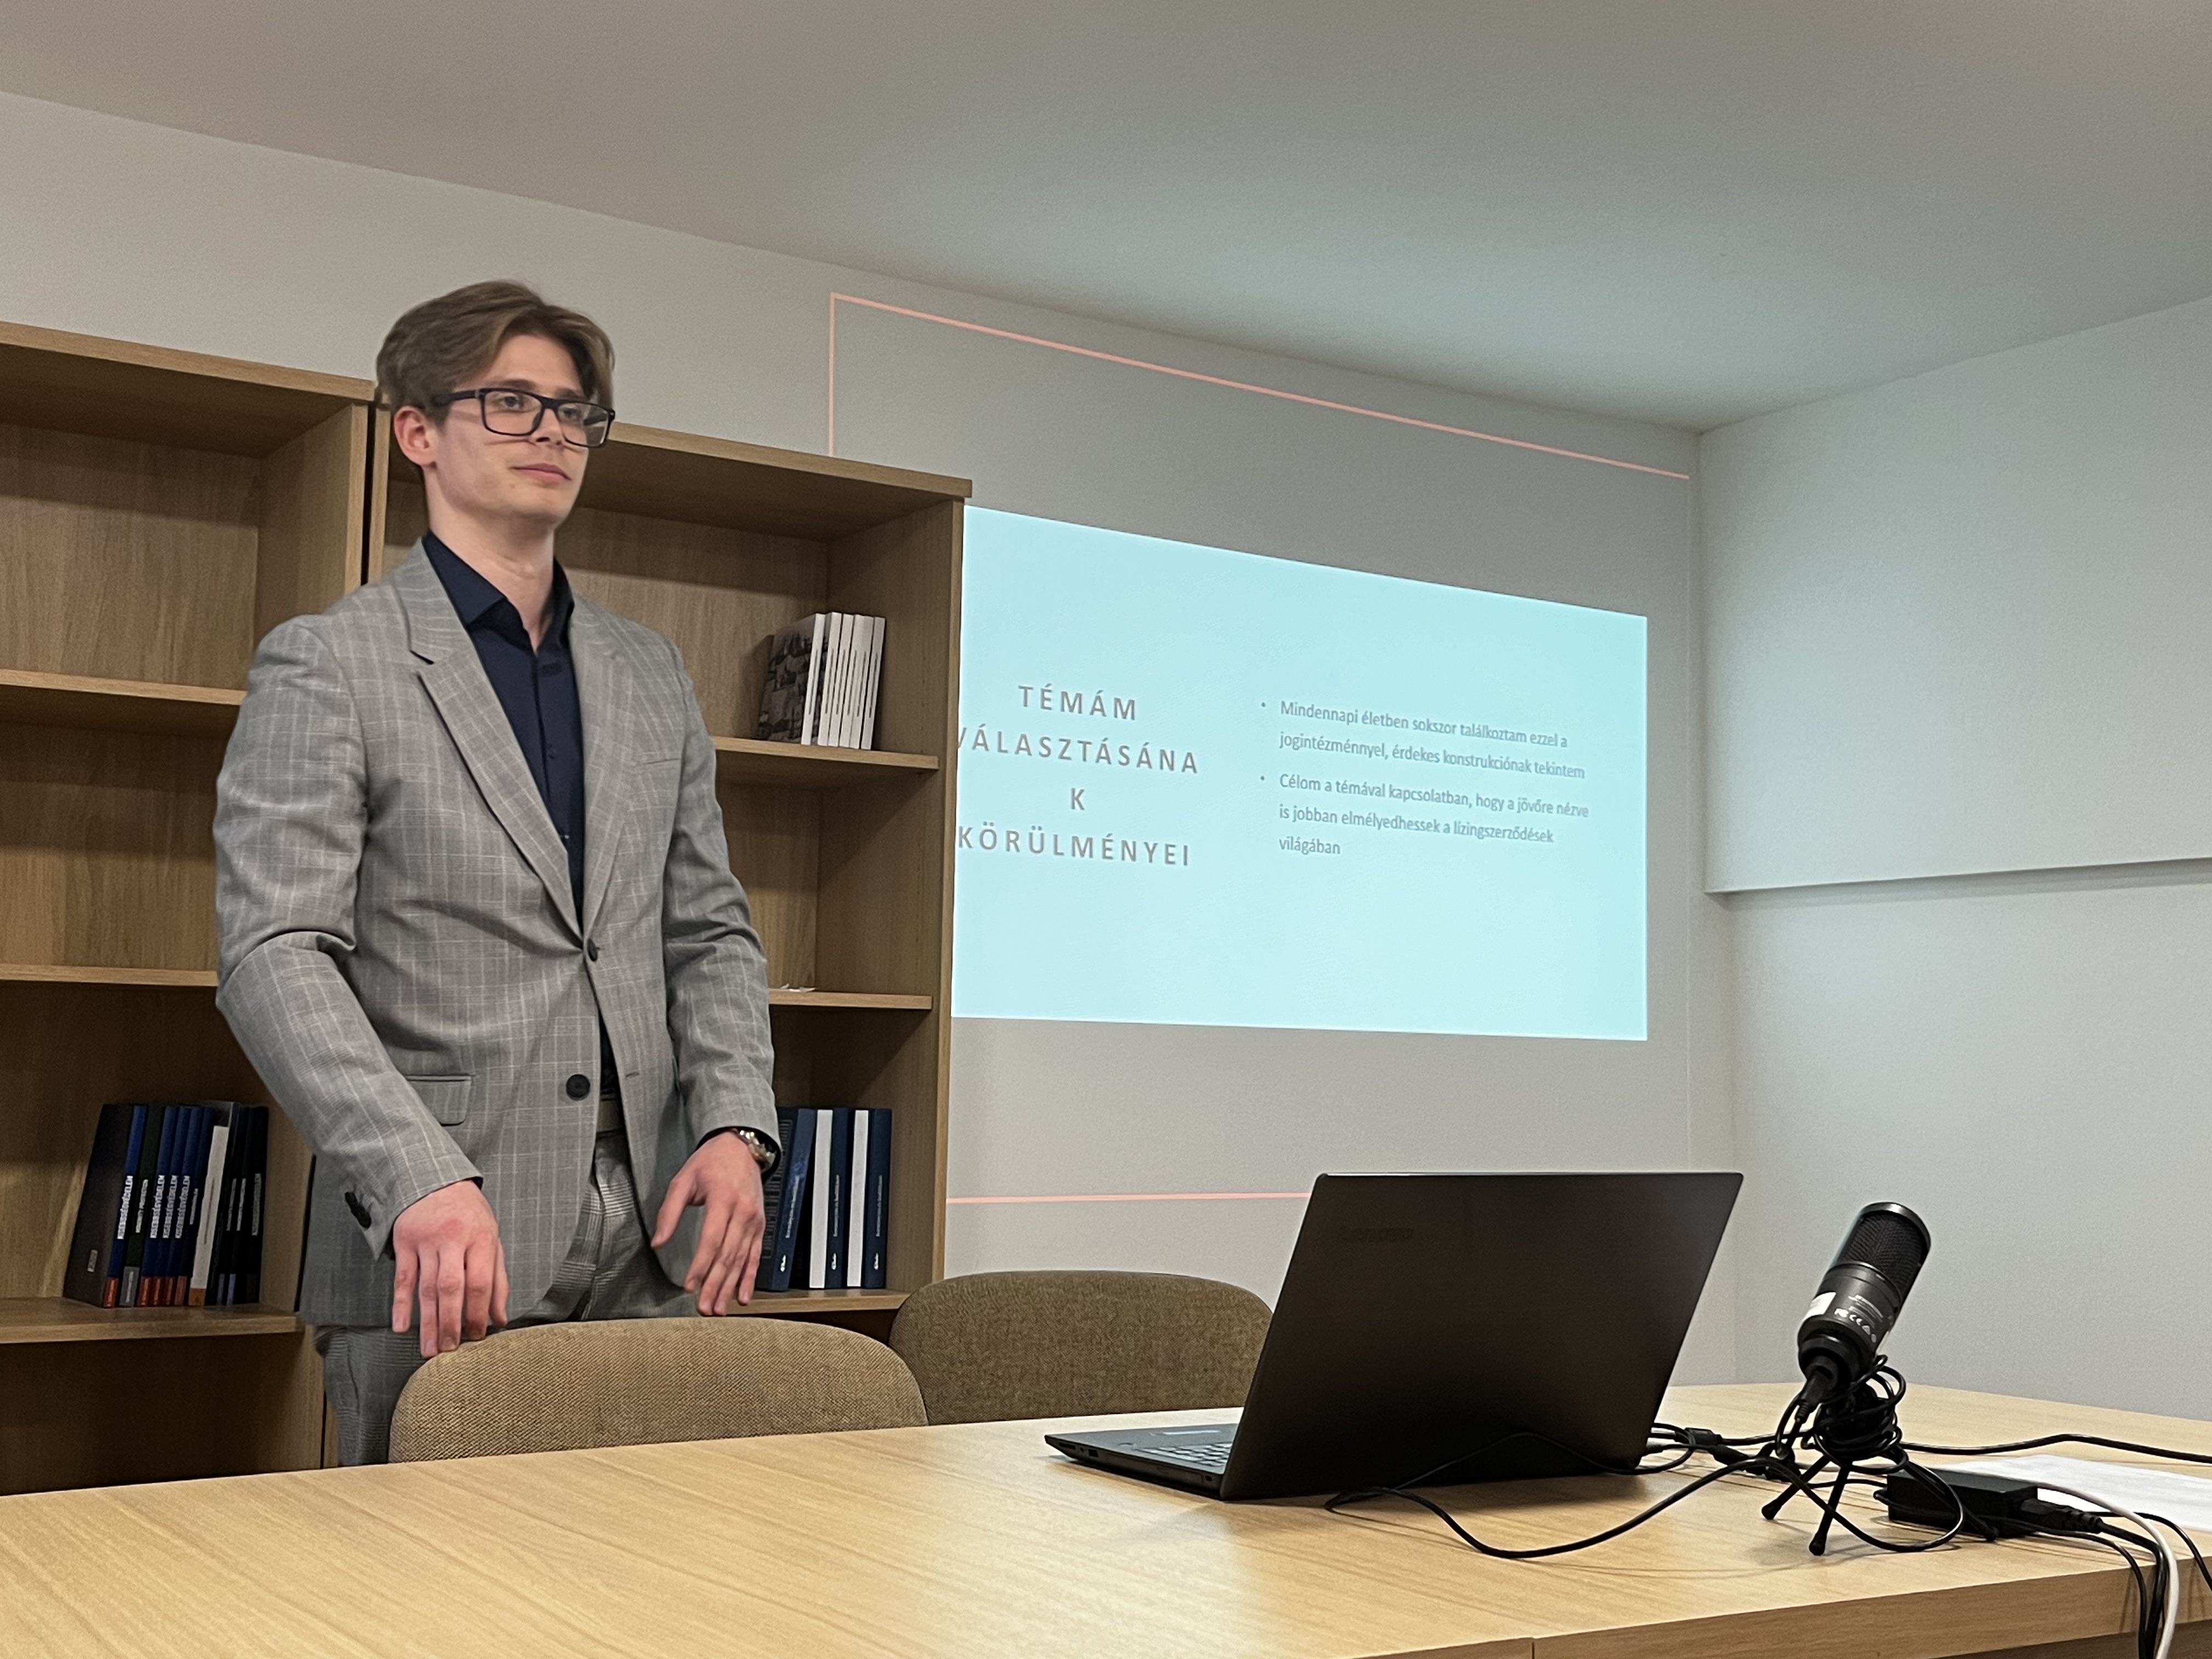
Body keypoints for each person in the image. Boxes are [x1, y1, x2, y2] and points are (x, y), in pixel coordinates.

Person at [215, 280, 781, 1464]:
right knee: (432, 1579)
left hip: (658, 1237)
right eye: (511, 402)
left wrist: (737, 1125)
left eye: (575, 412)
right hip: (438, 1233)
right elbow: (276, 956)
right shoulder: (328, 662)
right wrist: (415, 1176)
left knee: (651, 1571)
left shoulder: (652, 672)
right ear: (417, 432)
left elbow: (709, 933)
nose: (552, 432)